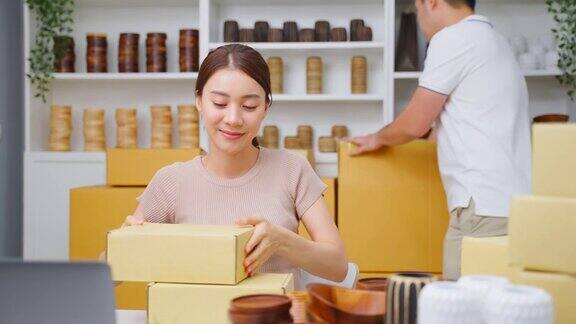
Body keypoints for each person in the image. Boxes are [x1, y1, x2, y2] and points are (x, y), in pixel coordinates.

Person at [117, 44, 348, 287]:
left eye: (249, 106)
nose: (233, 119)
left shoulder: (292, 169)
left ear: (266, 108)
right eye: (219, 103)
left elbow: (338, 266)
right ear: (199, 101)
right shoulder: (171, 182)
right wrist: (122, 243)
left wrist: (281, 241)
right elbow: (112, 275)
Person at [348, 0, 531, 280]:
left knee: (457, 308)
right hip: (512, 205)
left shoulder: (453, 38)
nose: (419, 20)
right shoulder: (494, 41)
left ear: (431, 2)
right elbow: (458, 128)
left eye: (417, 9)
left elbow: (414, 123)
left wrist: (377, 138)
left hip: (480, 207)